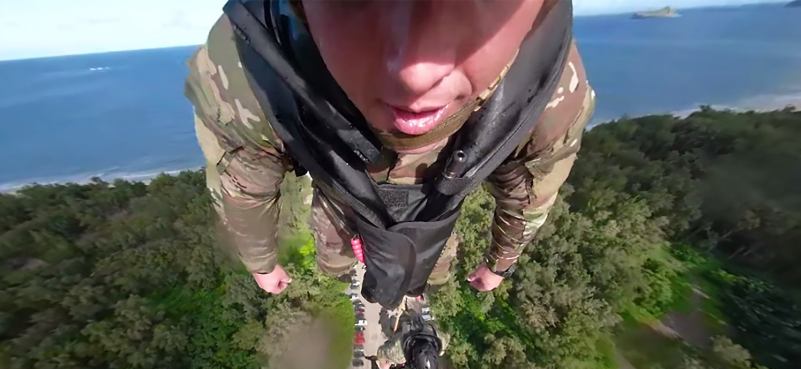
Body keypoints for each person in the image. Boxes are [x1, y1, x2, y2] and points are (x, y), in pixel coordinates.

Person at [186, 0, 595, 308]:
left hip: (430, 211)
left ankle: (413, 288)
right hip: (348, 203)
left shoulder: (547, 87)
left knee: (427, 268)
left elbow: (529, 186)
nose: (415, 74)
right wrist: (497, 266)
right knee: (338, 260)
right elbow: (246, 177)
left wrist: (500, 262)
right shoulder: (248, 62)